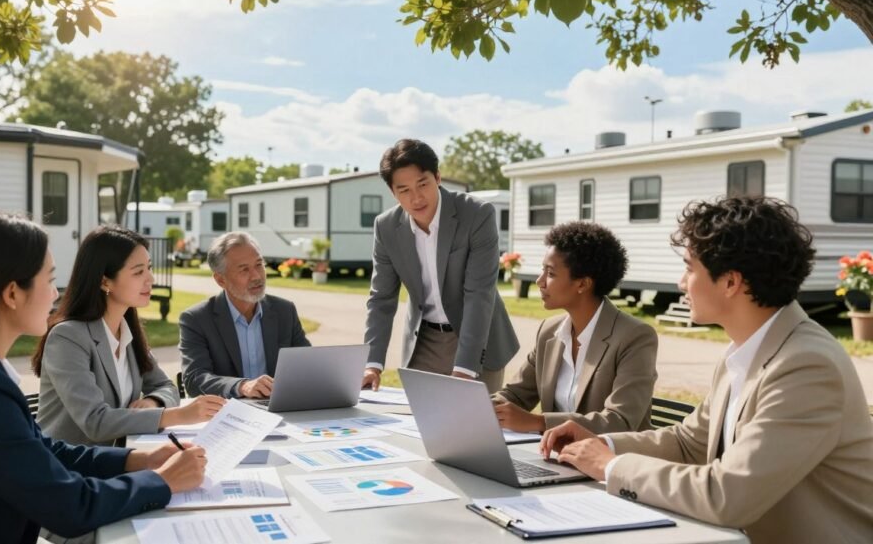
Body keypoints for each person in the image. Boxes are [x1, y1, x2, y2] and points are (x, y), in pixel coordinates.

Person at [541, 197, 873, 543]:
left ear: (731, 282)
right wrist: (600, 442)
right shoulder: (746, 349)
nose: (682, 282)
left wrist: (609, 466)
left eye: (689, 268)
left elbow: (729, 494)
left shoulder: (806, 366)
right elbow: (689, 442)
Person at [0, 212, 207, 544]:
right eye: (48, 280)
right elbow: (70, 506)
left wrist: (140, 459)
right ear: (12, 293)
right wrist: (162, 481)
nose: (55, 294)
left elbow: (46, 451)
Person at [32, 225, 225, 446]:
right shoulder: (68, 337)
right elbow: (95, 421)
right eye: (138, 272)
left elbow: (166, 386)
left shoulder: (126, 331)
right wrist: (179, 415)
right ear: (105, 281)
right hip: (70, 471)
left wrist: (153, 402)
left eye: (149, 268)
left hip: (117, 459)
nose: (150, 278)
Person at [363, 139, 519, 393]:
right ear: (393, 192)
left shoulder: (478, 215)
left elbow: (479, 295)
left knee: (473, 428)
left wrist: (465, 368)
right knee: (420, 427)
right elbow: (381, 299)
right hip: (423, 341)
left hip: (476, 338)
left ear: (437, 177)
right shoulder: (386, 227)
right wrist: (372, 364)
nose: (416, 198)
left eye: (422, 184)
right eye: (404, 190)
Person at [492, 222, 658, 434]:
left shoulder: (635, 337)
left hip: (610, 461)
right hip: (554, 457)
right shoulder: (549, 331)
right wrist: (479, 408)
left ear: (583, 284)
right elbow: (515, 395)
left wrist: (540, 422)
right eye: (543, 271)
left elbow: (620, 421)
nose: (539, 281)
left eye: (550, 274)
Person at [179, 232, 310, 397]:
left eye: (258, 265)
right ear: (221, 280)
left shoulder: (284, 311)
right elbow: (195, 379)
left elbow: (307, 366)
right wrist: (242, 386)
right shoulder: (196, 319)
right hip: (229, 413)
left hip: (279, 410)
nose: (256, 276)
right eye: (244, 269)